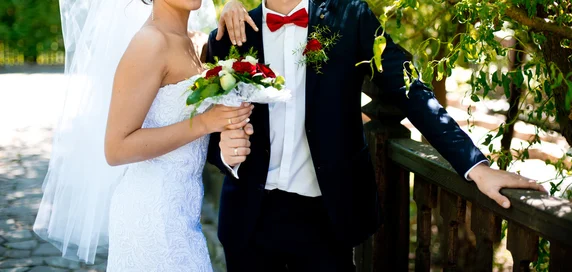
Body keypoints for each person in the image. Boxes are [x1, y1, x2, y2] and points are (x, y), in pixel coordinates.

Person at [207, 0, 547, 271]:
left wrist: (476, 166)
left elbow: (409, 88)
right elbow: (204, 130)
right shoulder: (230, 35)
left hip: (327, 219)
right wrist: (222, 152)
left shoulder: (350, 16)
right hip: (249, 221)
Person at [33, 0, 252, 270]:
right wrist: (205, 123)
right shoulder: (149, 43)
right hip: (149, 217)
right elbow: (116, 148)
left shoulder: (197, 43)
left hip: (183, 212)